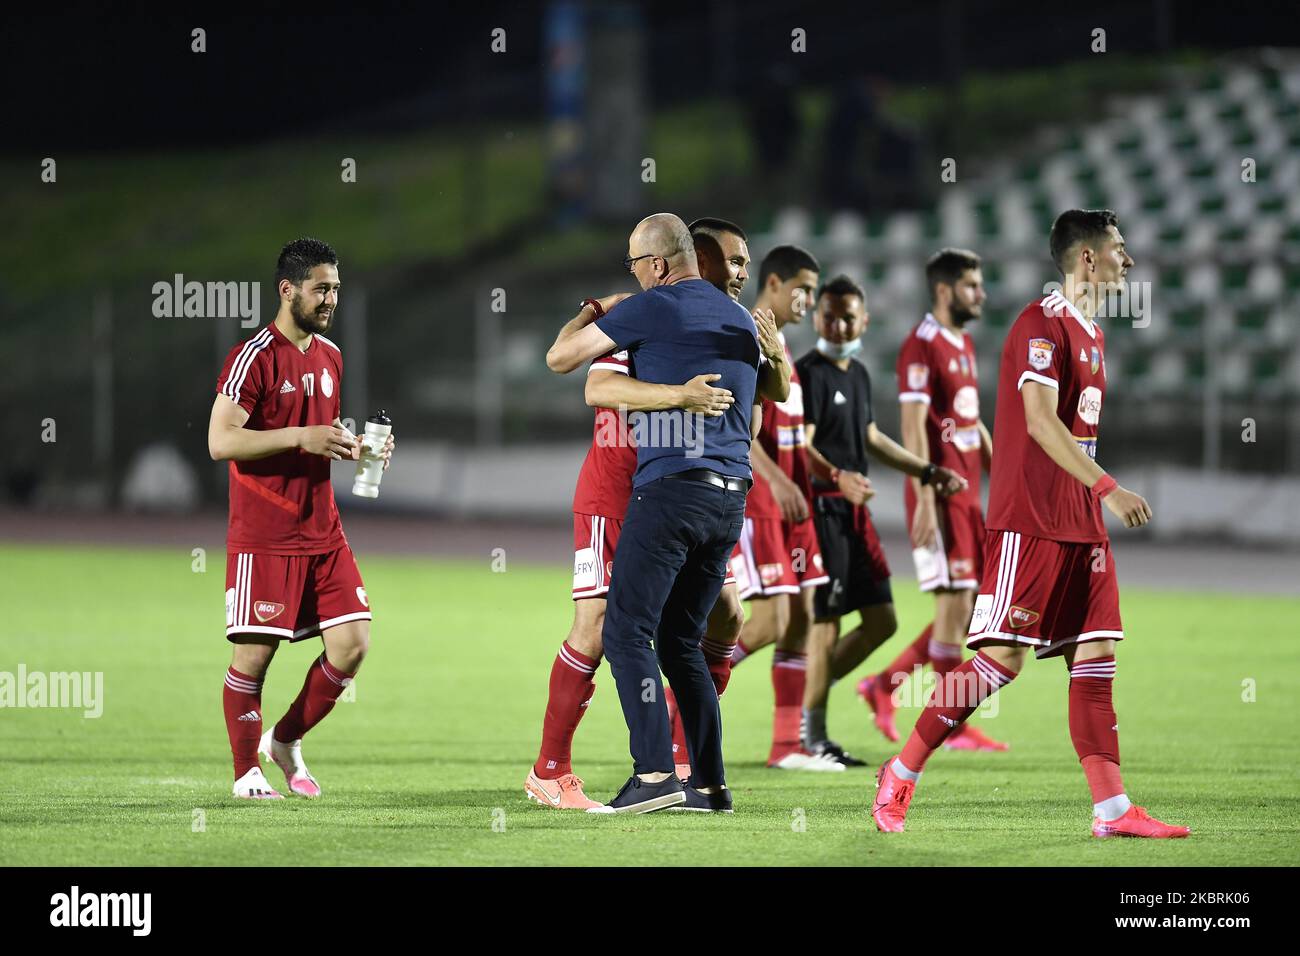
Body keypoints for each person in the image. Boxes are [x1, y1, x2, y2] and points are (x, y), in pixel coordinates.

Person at [872, 210, 1190, 839]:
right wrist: (1109, 487)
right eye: (1119, 250)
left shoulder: (1092, 332)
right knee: (998, 664)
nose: (1129, 261)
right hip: (1032, 524)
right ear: (1088, 259)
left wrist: (1094, 497)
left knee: (1096, 661)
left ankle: (1113, 811)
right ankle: (901, 773)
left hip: (1083, 525)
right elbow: (1042, 422)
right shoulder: (1040, 325)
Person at [547, 213, 784, 813]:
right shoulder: (738, 317)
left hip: (672, 489)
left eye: (635, 263)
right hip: (731, 497)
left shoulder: (649, 307)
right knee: (683, 642)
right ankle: (708, 783)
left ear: (654, 265)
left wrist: (596, 307)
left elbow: (562, 359)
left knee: (627, 630)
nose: (635, 273)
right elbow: (759, 410)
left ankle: (654, 774)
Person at [524, 302, 739, 809]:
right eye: (730, 261)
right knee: (598, 625)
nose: (736, 274)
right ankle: (549, 770)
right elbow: (583, 376)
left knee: (725, 618)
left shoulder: (718, 324)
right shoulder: (641, 318)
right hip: (614, 498)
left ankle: (683, 758)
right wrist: (597, 310)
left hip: (681, 494)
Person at [208, 237, 394, 800]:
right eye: (321, 288)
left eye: (336, 288)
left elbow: (320, 436)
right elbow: (221, 441)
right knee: (254, 657)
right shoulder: (254, 356)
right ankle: (246, 773)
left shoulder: (331, 356)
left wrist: (356, 447)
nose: (331, 298)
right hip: (265, 535)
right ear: (287, 290)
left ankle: (285, 740)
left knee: (352, 644)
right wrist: (302, 437)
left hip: (324, 532)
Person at [794, 276, 966, 764]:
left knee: (882, 620)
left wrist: (927, 470)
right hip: (823, 508)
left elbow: (869, 436)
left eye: (848, 316)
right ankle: (811, 737)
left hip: (854, 510)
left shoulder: (860, 374)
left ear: (863, 320)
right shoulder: (809, 374)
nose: (838, 324)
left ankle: (803, 700)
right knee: (826, 623)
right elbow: (799, 446)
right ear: (816, 318)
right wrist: (838, 476)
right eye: (829, 315)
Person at [858, 248, 1008, 752]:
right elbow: (911, 428)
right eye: (971, 285)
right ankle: (954, 727)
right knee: (956, 607)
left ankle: (884, 686)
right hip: (938, 496)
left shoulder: (961, 343)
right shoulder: (920, 346)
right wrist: (923, 497)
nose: (980, 293)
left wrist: (1002, 475)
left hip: (966, 497)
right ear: (944, 290)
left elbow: (970, 421)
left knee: (966, 612)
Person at [719, 245, 851, 771]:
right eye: (804, 289)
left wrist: (828, 475)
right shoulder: (747, 336)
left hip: (795, 501)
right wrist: (775, 481)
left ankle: (786, 746)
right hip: (764, 501)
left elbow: (791, 433)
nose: (811, 300)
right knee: (772, 618)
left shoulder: (781, 346)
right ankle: (680, 696)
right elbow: (741, 429)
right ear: (772, 283)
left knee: (800, 618)